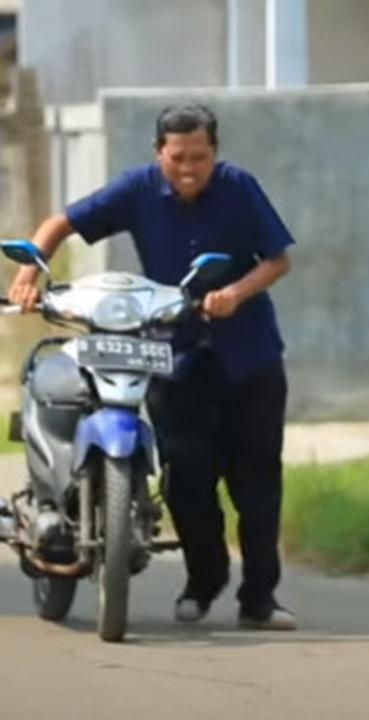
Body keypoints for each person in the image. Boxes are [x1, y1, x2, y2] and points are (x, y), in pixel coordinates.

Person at [6, 103, 298, 631]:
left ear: (215, 152)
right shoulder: (136, 189)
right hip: (171, 355)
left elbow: (278, 260)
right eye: (178, 157)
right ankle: (202, 582)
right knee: (187, 479)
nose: (189, 168)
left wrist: (235, 292)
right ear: (159, 153)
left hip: (249, 356)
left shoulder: (240, 188)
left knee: (256, 483)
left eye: (200, 157)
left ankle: (260, 600)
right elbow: (60, 223)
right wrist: (31, 272)